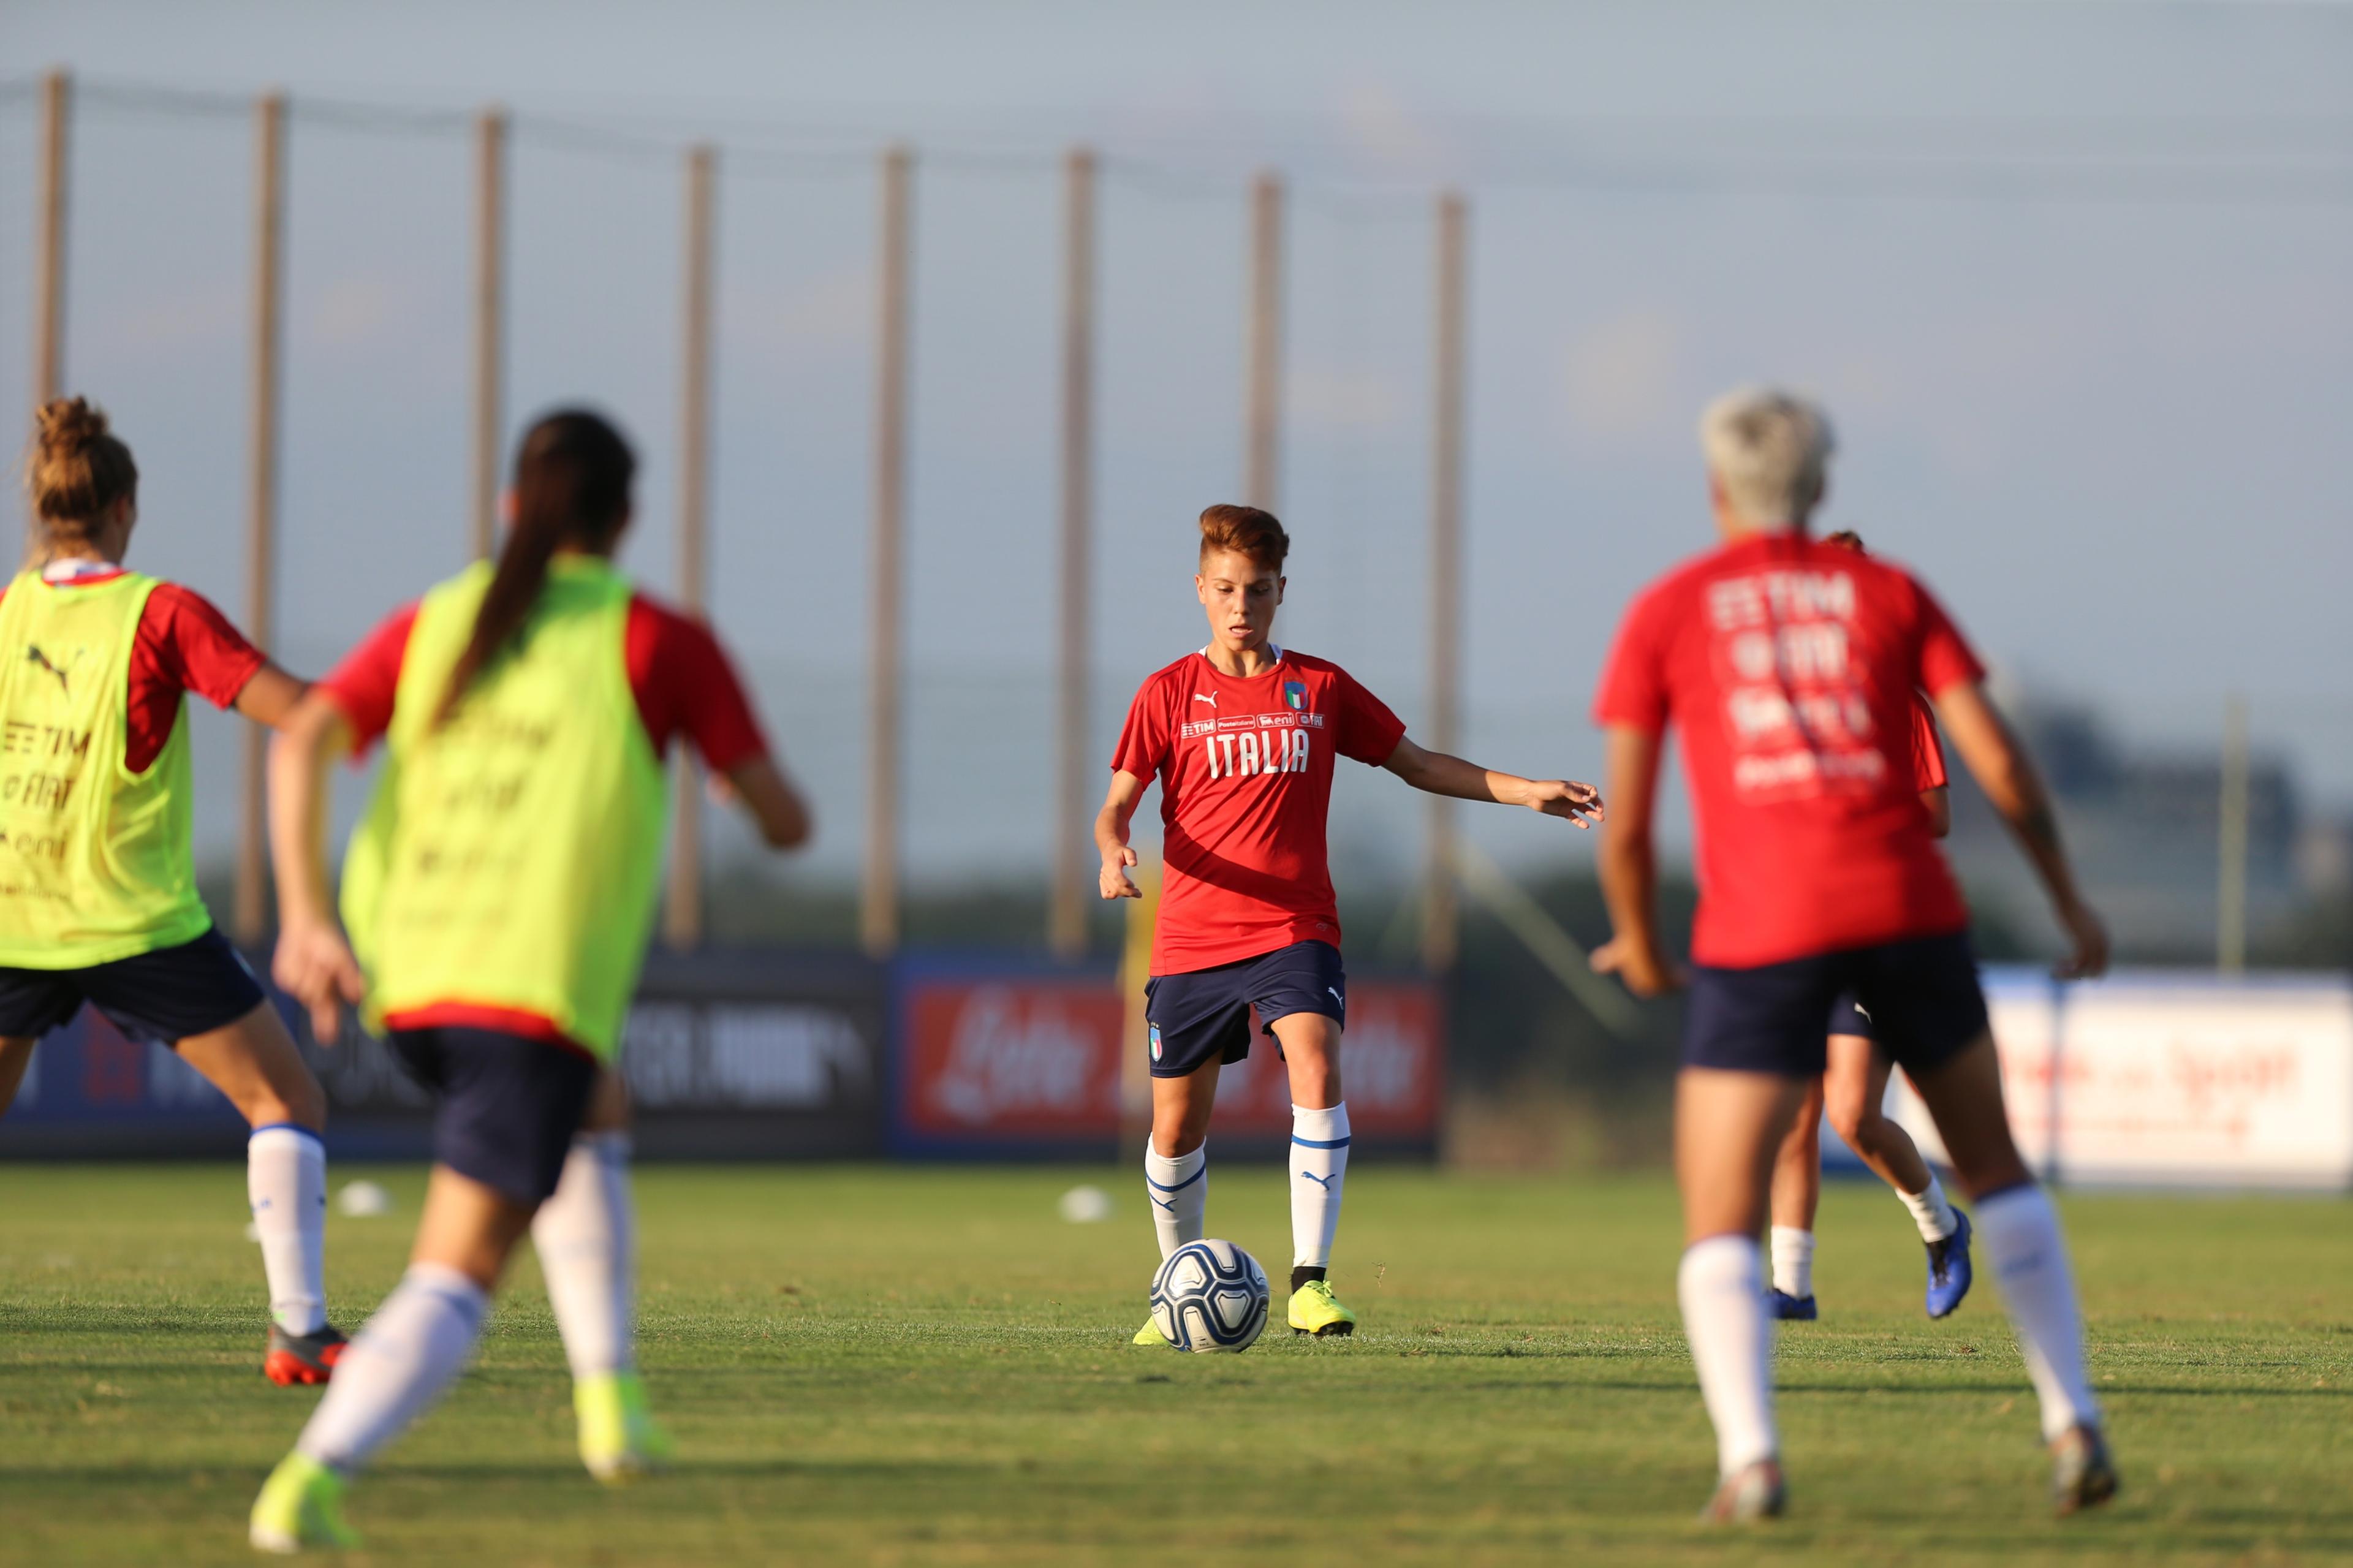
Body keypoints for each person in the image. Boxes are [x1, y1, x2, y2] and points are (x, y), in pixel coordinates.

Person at [248, 409, 810, 1553]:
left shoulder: (441, 616)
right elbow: (789, 823)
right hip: (523, 995)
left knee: (599, 1108)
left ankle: (611, 1406)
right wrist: (738, 789)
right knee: (459, 1271)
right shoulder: (655, 640)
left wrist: (305, 916)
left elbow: (300, 737)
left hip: (404, 978)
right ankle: (311, 1480)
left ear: (514, 508)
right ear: (626, 520)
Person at [1590, 388, 2117, 1522]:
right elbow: (2006, 771)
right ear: (1821, 486)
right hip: (1908, 913)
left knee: (1715, 1211)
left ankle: (1754, 1460)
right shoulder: (1892, 594)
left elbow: (1628, 824)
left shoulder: (1671, 609)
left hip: (1763, 925)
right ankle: (2072, 1419)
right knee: (2000, 1167)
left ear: (1717, 490)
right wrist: (2070, 905)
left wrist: (1638, 940)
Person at [1099, 504, 1602, 1344]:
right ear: (1200, 589)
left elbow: (1416, 763)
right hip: (1191, 940)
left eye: (1257, 590)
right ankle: (1173, 1288)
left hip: (1295, 929)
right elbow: (1117, 805)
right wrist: (1114, 851)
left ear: (1281, 591)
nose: (1240, 605)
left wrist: (1526, 791)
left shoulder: (1320, 689)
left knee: (1315, 1057)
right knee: (1175, 1128)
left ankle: (1309, 1284)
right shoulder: (1167, 695)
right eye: (1224, 588)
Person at [0, 397, 343, 1387]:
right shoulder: (160, 612)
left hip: (16, 915)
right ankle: (300, 1333)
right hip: (128, 917)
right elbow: (298, 713)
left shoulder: (12, 610)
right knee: (287, 1098)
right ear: (127, 507)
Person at [1764, 530, 1973, 1324]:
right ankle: (1792, 1287)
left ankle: (1942, 1229)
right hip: (1800, 926)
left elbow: (1936, 817)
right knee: (1792, 1114)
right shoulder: (1783, 704)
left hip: (1880, 931)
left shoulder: (1900, 704)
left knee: (1852, 1116)